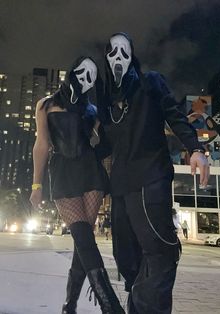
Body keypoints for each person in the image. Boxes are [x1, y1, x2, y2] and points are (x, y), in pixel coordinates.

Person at [97, 32, 209, 314]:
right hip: (121, 185)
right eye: (112, 52)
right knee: (126, 257)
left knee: (159, 250)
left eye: (124, 51)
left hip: (150, 177)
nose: (118, 57)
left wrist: (195, 148)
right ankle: (138, 305)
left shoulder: (150, 82)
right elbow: (107, 146)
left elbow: (174, 114)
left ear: (132, 55)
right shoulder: (108, 102)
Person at [30, 56, 125, 314]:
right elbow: (41, 145)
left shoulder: (91, 110)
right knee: (83, 238)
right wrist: (36, 185)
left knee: (83, 242)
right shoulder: (46, 105)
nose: (86, 79)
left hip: (91, 174)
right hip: (62, 175)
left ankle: (73, 306)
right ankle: (108, 306)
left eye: (91, 76)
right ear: (73, 72)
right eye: (83, 72)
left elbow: (105, 142)